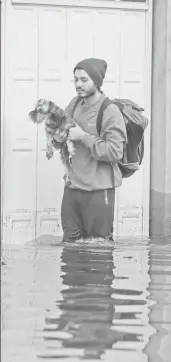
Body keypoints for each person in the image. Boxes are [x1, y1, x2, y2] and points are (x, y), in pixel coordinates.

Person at [49, 58, 127, 242]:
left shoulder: (109, 111)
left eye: (84, 80)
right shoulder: (74, 104)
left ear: (97, 81)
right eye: (75, 79)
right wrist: (57, 140)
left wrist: (83, 137)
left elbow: (115, 152)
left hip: (99, 192)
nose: (78, 84)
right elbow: (61, 139)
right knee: (70, 246)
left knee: (98, 249)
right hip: (72, 188)